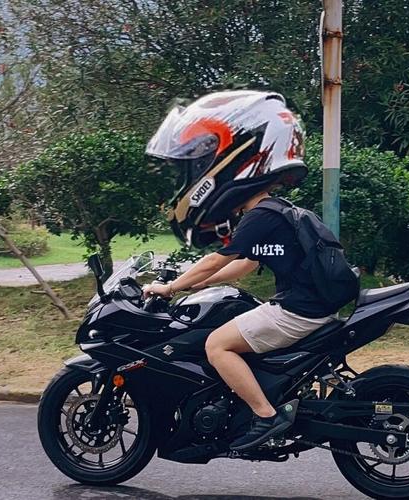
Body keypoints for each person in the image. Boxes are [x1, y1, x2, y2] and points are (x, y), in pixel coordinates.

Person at [142, 90, 340, 451]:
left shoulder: (259, 215)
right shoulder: (275, 210)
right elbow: (243, 264)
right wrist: (194, 284)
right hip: (309, 306)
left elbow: (217, 259)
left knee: (216, 344)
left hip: (297, 311)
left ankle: (266, 417)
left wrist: (169, 288)